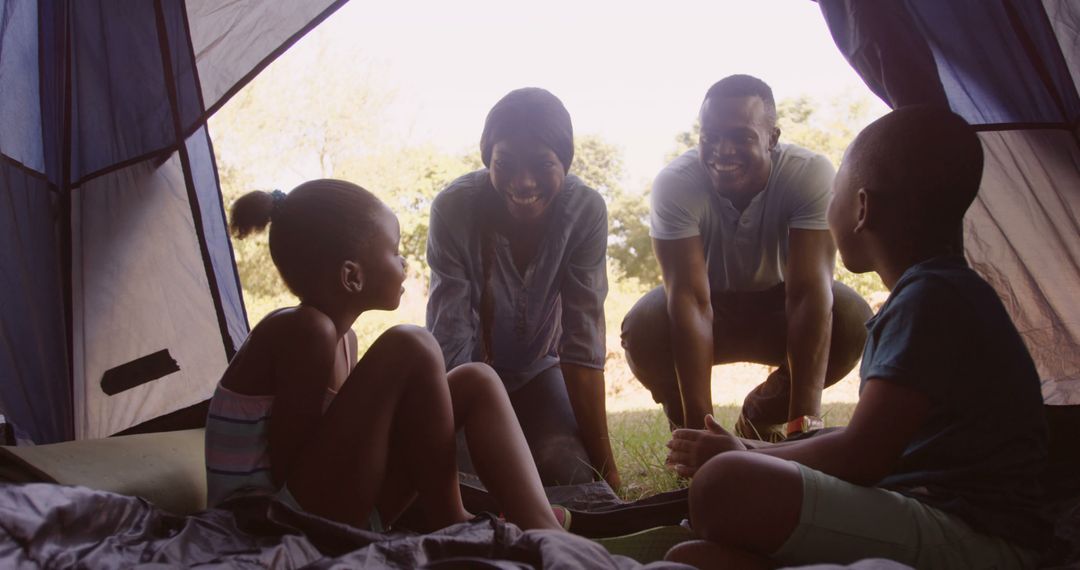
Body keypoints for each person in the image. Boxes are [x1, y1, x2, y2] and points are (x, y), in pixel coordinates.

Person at [664, 106, 1049, 569]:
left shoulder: (931, 298)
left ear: (862, 208)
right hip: (936, 515)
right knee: (694, 555)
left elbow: (863, 455)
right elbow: (878, 440)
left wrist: (745, 454)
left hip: (974, 535)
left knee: (724, 484)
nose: (828, 211)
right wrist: (751, 448)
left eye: (835, 196)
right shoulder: (936, 290)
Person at [204, 180, 565, 533]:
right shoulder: (306, 331)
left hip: (323, 506)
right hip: (270, 523)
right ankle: (452, 522)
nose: (404, 263)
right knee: (412, 344)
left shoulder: (345, 341)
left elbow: (347, 447)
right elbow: (291, 466)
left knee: (476, 379)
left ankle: (543, 528)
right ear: (352, 276)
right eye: (394, 252)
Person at [621, 74, 873, 439]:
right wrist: (701, 434)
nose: (723, 151)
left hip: (780, 303)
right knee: (643, 326)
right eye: (711, 137)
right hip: (707, 304)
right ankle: (686, 430)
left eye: (741, 137)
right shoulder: (675, 183)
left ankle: (761, 413)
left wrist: (803, 432)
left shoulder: (809, 174)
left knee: (850, 318)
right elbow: (690, 299)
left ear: (772, 138)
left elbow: (807, 296)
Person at [426, 88, 620, 489]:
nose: (523, 181)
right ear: (488, 161)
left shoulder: (585, 212)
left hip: (537, 372)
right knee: (464, 481)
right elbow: (450, 342)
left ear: (564, 162)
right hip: (467, 376)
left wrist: (608, 473)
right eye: (505, 164)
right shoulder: (453, 209)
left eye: (541, 164)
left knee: (572, 475)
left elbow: (582, 344)